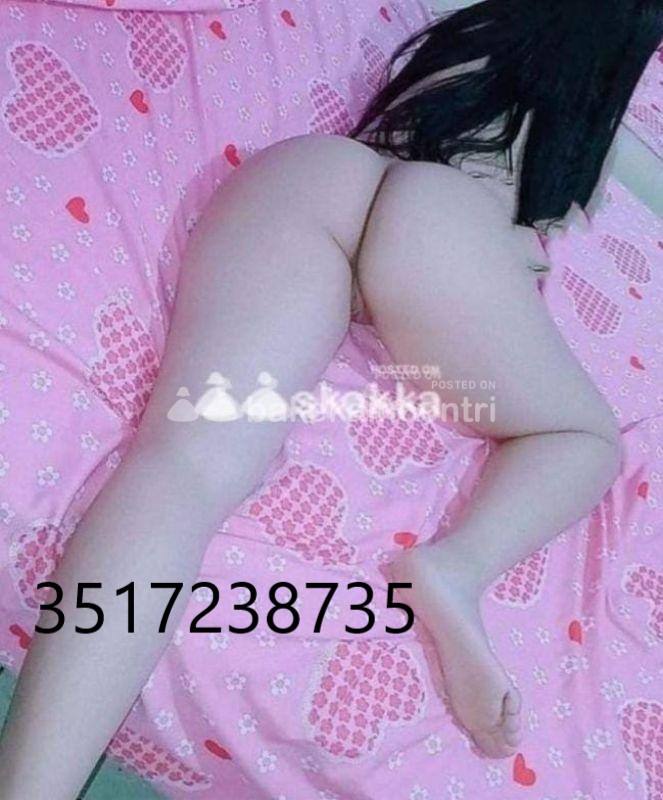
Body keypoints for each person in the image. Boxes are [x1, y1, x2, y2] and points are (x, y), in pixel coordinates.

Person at [0, 1, 660, 796]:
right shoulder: (582, 124)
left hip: (316, 173)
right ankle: (455, 566)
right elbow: (525, 242)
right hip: (441, 223)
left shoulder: (466, 31)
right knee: (582, 438)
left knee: (186, 466)